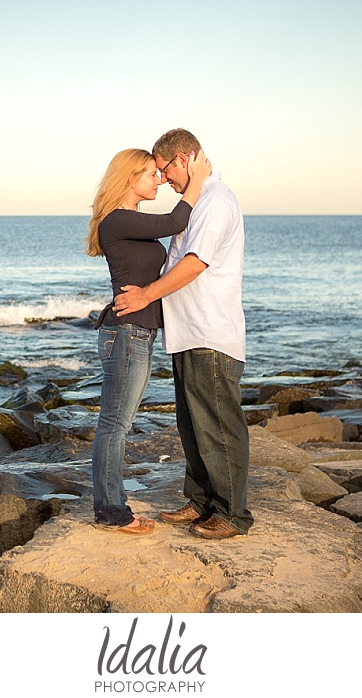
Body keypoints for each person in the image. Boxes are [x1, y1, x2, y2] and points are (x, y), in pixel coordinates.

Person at [113, 128, 252, 540]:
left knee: (218, 426)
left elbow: (194, 264)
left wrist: (144, 297)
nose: (165, 180)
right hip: (189, 331)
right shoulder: (197, 202)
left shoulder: (215, 202)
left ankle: (231, 515)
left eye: (165, 170)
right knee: (192, 423)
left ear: (185, 158)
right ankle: (202, 501)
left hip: (210, 332)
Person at [86, 146, 211, 535]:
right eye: (151, 174)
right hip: (126, 332)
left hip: (134, 331)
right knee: (115, 425)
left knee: (115, 423)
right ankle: (112, 513)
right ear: (129, 177)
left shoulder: (129, 220)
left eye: (160, 173)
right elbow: (176, 221)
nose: (159, 179)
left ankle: (111, 508)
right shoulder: (117, 220)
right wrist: (199, 181)